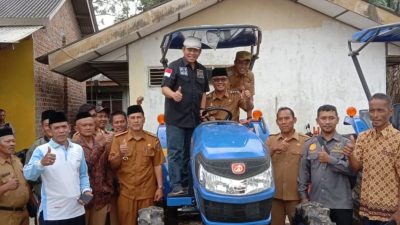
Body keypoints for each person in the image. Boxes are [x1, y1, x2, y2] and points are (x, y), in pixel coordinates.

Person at [24, 111, 92, 225]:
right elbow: (28, 175)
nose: (61, 130)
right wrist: (41, 163)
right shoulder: (41, 150)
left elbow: (83, 175)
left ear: (69, 128)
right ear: (50, 131)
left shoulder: (78, 149)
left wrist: (86, 191)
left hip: (77, 211)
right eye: (56, 128)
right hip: (52, 214)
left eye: (64, 126)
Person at [161, 36, 209, 196]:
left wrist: (202, 109)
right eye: (189, 50)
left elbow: (204, 93)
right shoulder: (173, 67)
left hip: (194, 120)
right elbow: (164, 88)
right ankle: (176, 185)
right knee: (175, 152)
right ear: (183, 50)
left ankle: (189, 185)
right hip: (176, 119)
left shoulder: (202, 70)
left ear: (199, 52)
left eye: (195, 50)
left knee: (191, 153)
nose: (192, 53)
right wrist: (173, 95)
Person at [344, 93, 400, 225]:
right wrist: (350, 154)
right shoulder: (364, 137)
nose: (375, 115)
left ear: (390, 112)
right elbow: (356, 167)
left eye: (380, 110)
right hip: (367, 211)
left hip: (390, 214)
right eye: (372, 110)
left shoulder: (397, 139)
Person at [109, 105, 165, 225]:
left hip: (147, 193)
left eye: (139, 117)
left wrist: (160, 188)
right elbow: (113, 165)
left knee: (149, 223)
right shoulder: (118, 140)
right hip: (126, 194)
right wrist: (120, 153)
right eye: (133, 118)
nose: (136, 120)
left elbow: (157, 164)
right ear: (128, 120)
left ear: (144, 119)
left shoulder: (153, 139)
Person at [298, 105, 354, 225]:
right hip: (316, 204)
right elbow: (303, 173)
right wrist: (304, 198)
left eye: (331, 118)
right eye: (323, 118)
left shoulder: (347, 144)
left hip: (341, 205)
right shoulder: (309, 144)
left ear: (337, 120)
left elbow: (353, 170)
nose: (327, 122)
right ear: (317, 121)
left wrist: (330, 159)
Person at [266, 107, 308, 225]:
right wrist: (274, 149)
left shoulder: (305, 141)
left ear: (294, 120)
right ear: (277, 122)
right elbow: (262, 161)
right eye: (280, 119)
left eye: (287, 118)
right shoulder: (271, 140)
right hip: (275, 196)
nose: (283, 122)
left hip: (296, 195)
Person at [74, 112, 113, 225]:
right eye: (84, 125)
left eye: (91, 125)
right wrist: (99, 147)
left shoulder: (102, 142)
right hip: (83, 199)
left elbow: (108, 170)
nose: (88, 127)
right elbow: (84, 167)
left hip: (101, 198)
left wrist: (109, 193)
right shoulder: (74, 147)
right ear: (77, 128)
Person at [0, 126, 29, 225]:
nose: (12, 144)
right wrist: (5, 187)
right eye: (7, 142)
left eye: (13, 141)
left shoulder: (16, 160)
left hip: (24, 214)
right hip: (6, 216)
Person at [24, 110, 56, 200]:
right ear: (42, 127)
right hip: (45, 196)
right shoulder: (36, 147)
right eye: (46, 125)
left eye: (52, 124)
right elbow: (28, 176)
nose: (50, 128)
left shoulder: (69, 144)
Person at [226, 51, 255, 120]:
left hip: (240, 100)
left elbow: (250, 96)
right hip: (226, 102)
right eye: (240, 63)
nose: (243, 66)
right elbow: (223, 93)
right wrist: (238, 89)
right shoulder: (227, 73)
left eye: (246, 64)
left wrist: (249, 117)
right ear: (235, 62)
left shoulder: (250, 75)